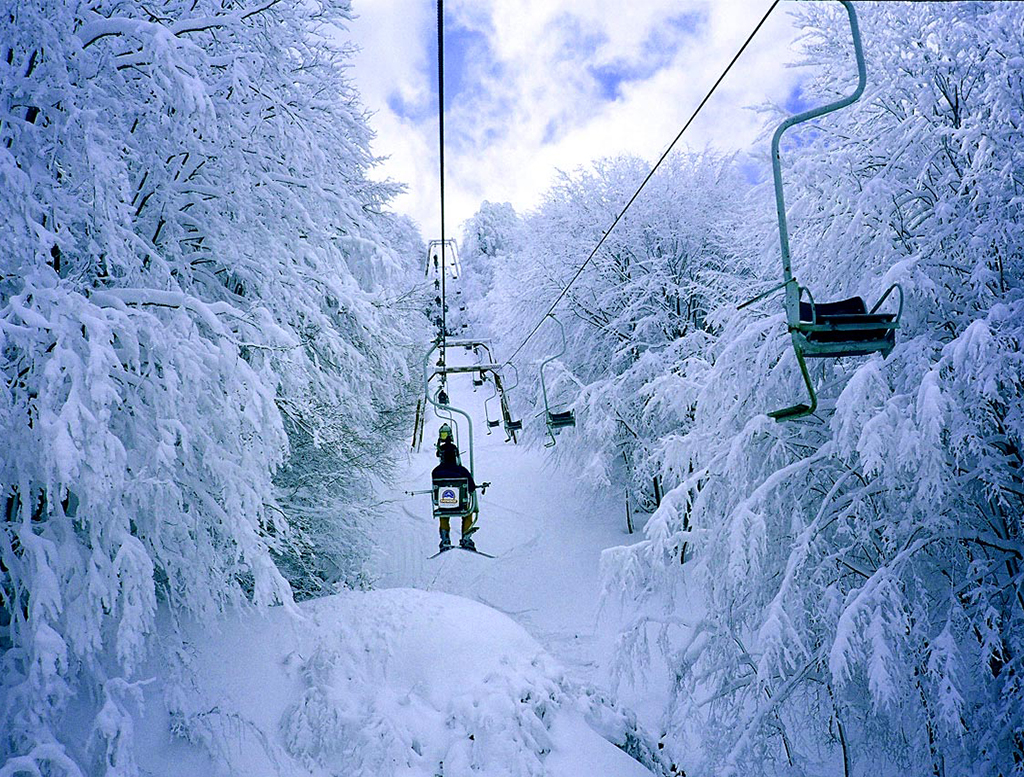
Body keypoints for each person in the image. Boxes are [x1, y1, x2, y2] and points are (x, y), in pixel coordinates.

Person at [431, 433, 478, 552]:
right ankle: (466, 537)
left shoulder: (436, 472)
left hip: (444, 503)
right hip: (460, 504)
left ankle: (445, 539)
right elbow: (471, 487)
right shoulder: (462, 471)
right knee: (467, 513)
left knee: (443, 512)